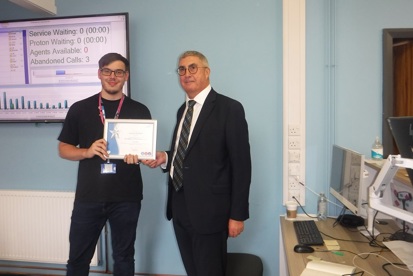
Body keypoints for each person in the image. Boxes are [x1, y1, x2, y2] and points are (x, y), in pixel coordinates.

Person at [143, 50, 251, 276]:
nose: (186, 74)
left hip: (211, 213)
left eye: (193, 67)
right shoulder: (184, 110)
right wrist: (165, 157)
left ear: (207, 72)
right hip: (180, 207)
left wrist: (237, 214)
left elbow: (242, 165)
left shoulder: (229, 109)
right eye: (181, 69)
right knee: (193, 271)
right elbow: (188, 153)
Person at [58, 52, 151, 276]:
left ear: (126, 76)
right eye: (107, 71)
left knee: (124, 258)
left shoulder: (140, 110)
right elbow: (64, 149)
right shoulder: (80, 109)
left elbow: (146, 153)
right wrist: (87, 151)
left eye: (118, 72)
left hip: (126, 198)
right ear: (99, 73)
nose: (112, 76)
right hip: (89, 197)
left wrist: (139, 156)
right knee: (78, 259)